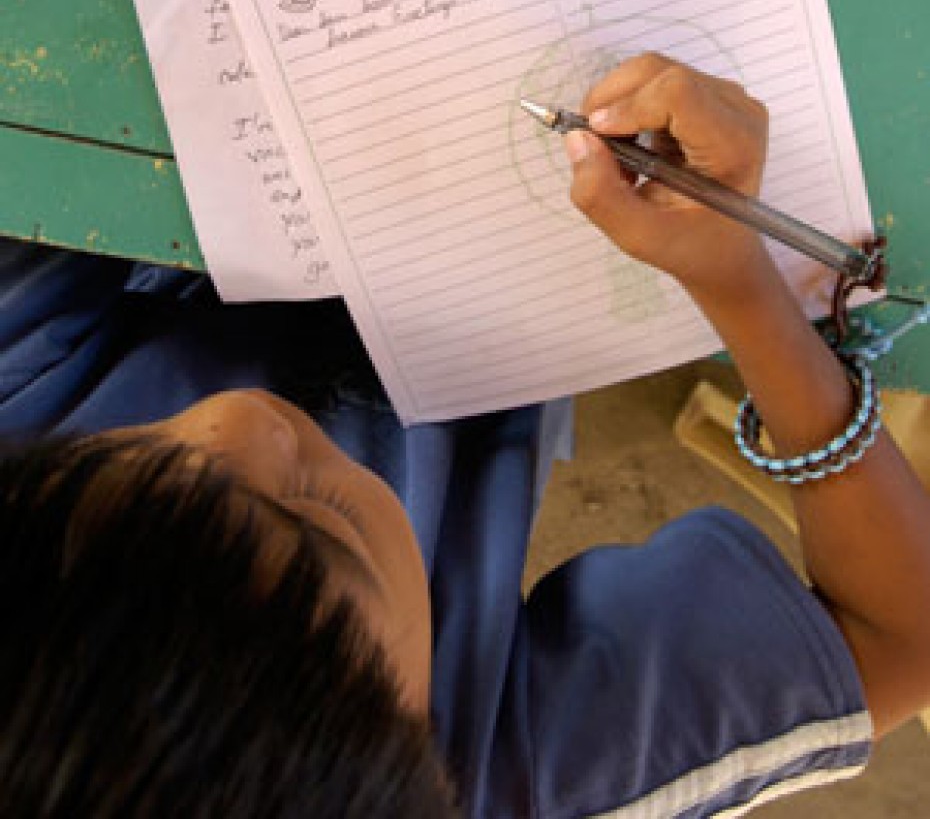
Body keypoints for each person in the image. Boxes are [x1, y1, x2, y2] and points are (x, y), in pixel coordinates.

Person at [2, 54, 930, 818]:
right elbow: (899, 635)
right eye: (317, 525)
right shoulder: (513, 787)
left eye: (138, 458)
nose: (241, 420)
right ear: (419, 741)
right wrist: (740, 282)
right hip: (512, 288)